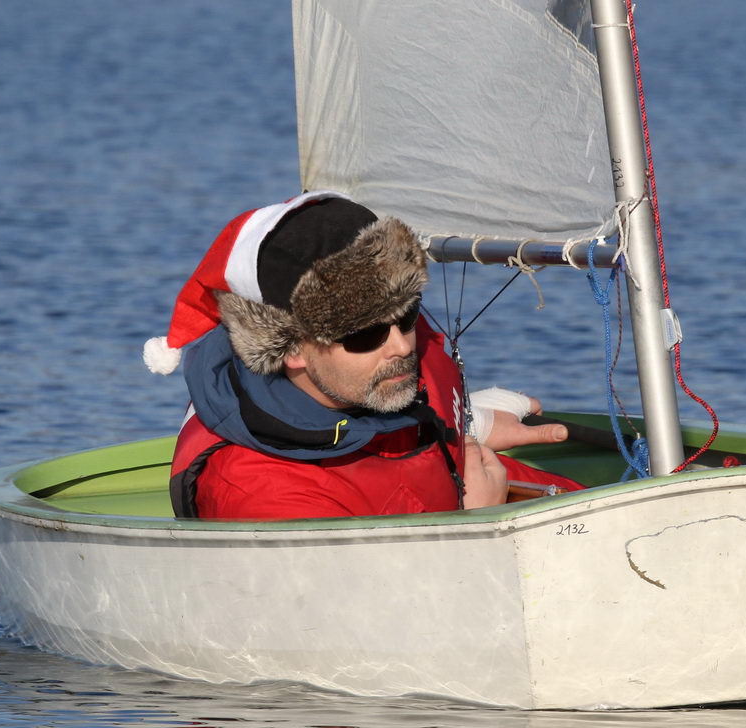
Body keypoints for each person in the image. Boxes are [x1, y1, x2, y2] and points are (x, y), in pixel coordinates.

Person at [142, 191, 585, 520]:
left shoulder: (381, 359)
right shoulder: (259, 491)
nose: (402, 345)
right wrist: (481, 525)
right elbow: (367, 612)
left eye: (407, 313)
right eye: (364, 334)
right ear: (291, 348)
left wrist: (465, 420)